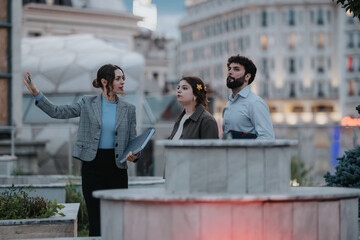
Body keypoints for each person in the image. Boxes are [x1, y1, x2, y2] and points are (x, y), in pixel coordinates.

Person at [23, 64, 139, 237]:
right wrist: (36, 92)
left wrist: (135, 155)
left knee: (116, 218)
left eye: (123, 78)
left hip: (117, 169)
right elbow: (57, 112)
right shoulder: (87, 103)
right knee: (96, 219)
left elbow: (133, 141)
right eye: (118, 78)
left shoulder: (129, 109)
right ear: (104, 81)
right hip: (92, 166)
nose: (122, 82)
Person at [222, 55, 275, 140]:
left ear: (247, 76)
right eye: (229, 69)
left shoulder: (255, 103)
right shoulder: (228, 104)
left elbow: (267, 138)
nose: (230, 72)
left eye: (236, 69)